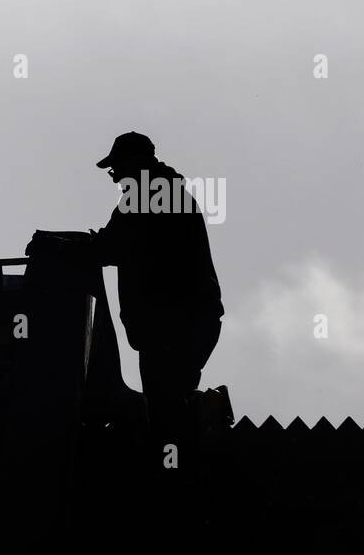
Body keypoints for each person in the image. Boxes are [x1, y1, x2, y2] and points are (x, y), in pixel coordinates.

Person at [28, 132, 224, 451]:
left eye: (116, 168)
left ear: (134, 161)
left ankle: (175, 468)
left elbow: (110, 248)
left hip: (172, 323)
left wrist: (59, 250)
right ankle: (202, 422)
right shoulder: (166, 191)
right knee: (174, 400)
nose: (115, 177)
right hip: (190, 320)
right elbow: (120, 245)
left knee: (164, 410)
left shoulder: (148, 193)